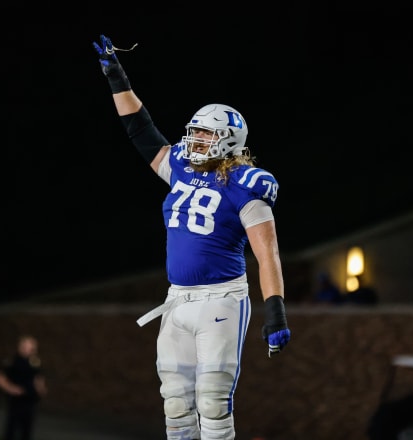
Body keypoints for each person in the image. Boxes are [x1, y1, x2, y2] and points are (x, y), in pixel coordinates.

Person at [92, 34, 291, 440]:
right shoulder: (182, 167)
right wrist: (116, 76)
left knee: (214, 405)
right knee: (176, 404)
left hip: (221, 300)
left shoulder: (246, 185)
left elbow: (267, 255)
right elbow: (139, 128)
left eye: (205, 136)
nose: (195, 141)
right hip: (177, 299)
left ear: (229, 141)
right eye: (195, 133)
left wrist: (275, 310)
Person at [0, 335, 47, 440]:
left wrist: (41, 389)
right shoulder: (12, 361)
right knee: (11, 430)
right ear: (20, 347)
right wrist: (10, 388)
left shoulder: (35, 362)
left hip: (30, 401)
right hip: (16, 401)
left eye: (32, 348)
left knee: (27, 431)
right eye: (27, 347)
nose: (30, 350)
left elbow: (38, 378)